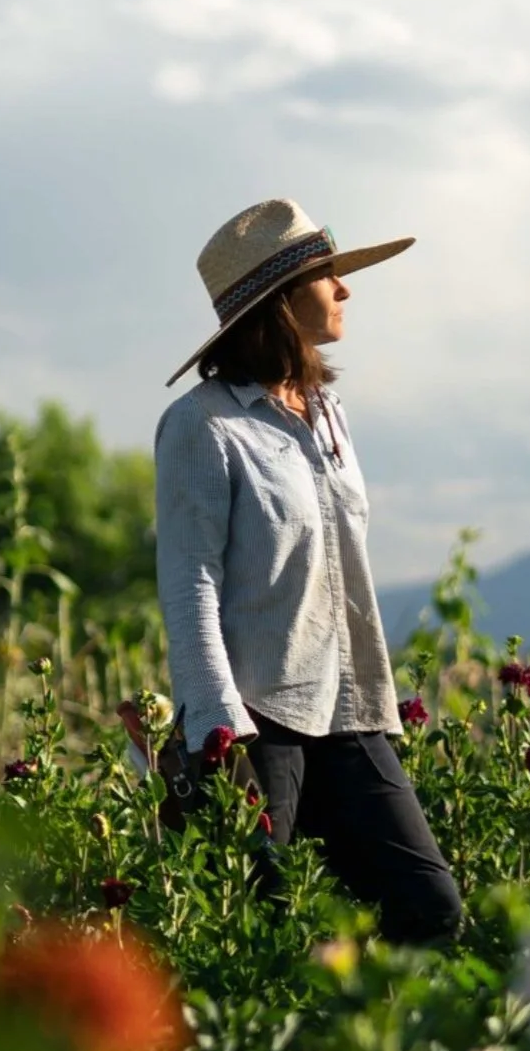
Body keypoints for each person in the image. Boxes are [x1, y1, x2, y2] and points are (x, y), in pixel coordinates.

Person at [153, 198, 462, 946]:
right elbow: (189, 581)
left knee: (428, 906)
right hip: (259, 721)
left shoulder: (328, 415)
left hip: (348, 710)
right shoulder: (204, 427)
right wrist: (218, 729)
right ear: (280, 303)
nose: (345, 291)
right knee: (260, 934)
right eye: (329, 276)